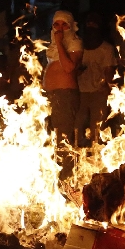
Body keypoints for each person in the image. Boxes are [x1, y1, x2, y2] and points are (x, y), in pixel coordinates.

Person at [76, 11, 118, 146]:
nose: (91, 26)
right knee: (77, 126)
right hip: (80, 92)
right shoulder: (78, 47)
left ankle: (96, 157)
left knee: (98, 128)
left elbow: (110, 73)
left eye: (94, 23)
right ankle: (77, 155)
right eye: (89, 23)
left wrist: (106, 84)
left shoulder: (106, 48)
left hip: (99, 93)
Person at [43, 10, 83, 148]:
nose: (60, 28)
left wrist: (60, 43)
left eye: (64, 25)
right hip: (50, 95)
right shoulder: (53, 46)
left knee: (62, 138)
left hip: (64, 95)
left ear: (71, 26)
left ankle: (65, 168)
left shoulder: (74, 43)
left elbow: (68, 67)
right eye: (56, 24)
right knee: (48, 137)